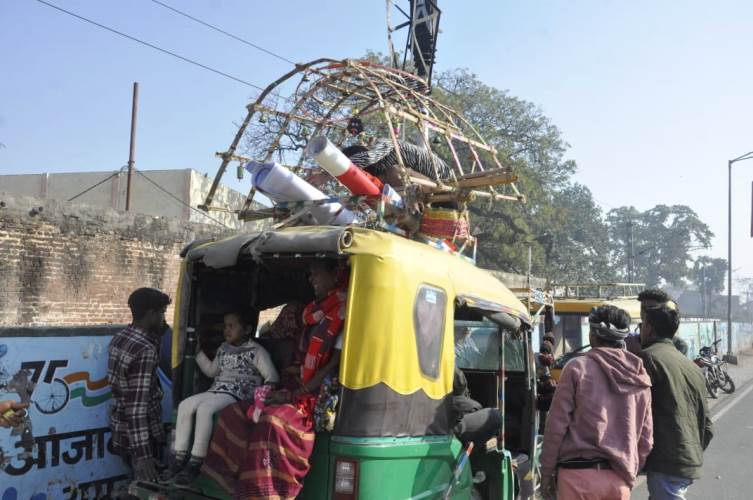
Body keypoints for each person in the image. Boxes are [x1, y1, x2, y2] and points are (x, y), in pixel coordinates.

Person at [202, 260, 349, 499]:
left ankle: (267, 492)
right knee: (234, 413)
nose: (312, 280)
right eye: (310, 275)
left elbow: (333, 366)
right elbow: (299, 359)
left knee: (273, 421)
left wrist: (295, 393)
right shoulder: (312, 313)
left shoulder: (343, 314)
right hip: (295, 383)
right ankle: (231, 481)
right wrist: (285, 384)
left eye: (316, 274)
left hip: (317, 393)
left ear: (335, 276)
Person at [540, 305, 653, 500]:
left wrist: (547, 473)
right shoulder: (639, 375)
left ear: (592, 336)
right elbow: (646, 440)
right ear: (623, 338)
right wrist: (629, 472)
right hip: (617, 481)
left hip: (574, 479)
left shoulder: (576, 368)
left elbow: (555, 427)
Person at [161, 310, 279, 486]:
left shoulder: (257, 352)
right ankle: (178, 459)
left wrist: (264, 393)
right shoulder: (223, 348)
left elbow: (272, 377)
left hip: (237, 394)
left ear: (247, 329)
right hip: (216, 389)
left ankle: (195, 461)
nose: (226, 330)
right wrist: (198, 353)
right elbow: (212, 372)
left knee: (205, 410)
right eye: (225, 326)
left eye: (232, 326)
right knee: (185, 405)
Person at [637, 288, 713, 500]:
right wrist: (689, 450)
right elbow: (707, 426)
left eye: (643, 324)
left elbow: (633, 412)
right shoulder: (691, 366)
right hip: (686, 459)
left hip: (667, 460)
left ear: (649, 329)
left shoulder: (647, 359)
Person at [107, 287, 171, 482]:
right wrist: (144, 456)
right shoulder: (144, 350)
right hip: (141, 438)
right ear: (152, 314)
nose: (164, 319)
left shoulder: (120, 338)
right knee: (146, 488)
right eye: (162, 313)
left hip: (121, 430)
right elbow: (136, 408)